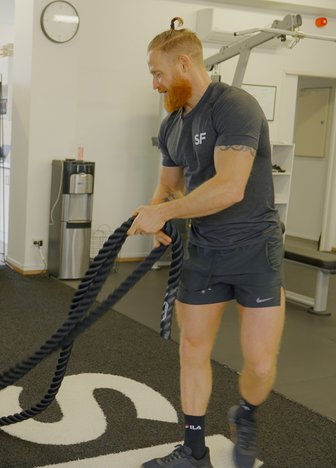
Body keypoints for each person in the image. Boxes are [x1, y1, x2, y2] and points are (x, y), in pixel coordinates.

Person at [128, 17, 286, 468]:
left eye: (158, 73)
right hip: (203, 252)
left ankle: (248, 413)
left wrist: (166, 210)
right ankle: (194, 450)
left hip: (255, 249)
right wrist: (154, 211)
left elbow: (230, 186)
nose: (155, 83)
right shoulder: (172, 126)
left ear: (183, 64)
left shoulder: (235, 106)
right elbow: (170, 187)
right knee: (192, 350)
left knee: (258, 364)